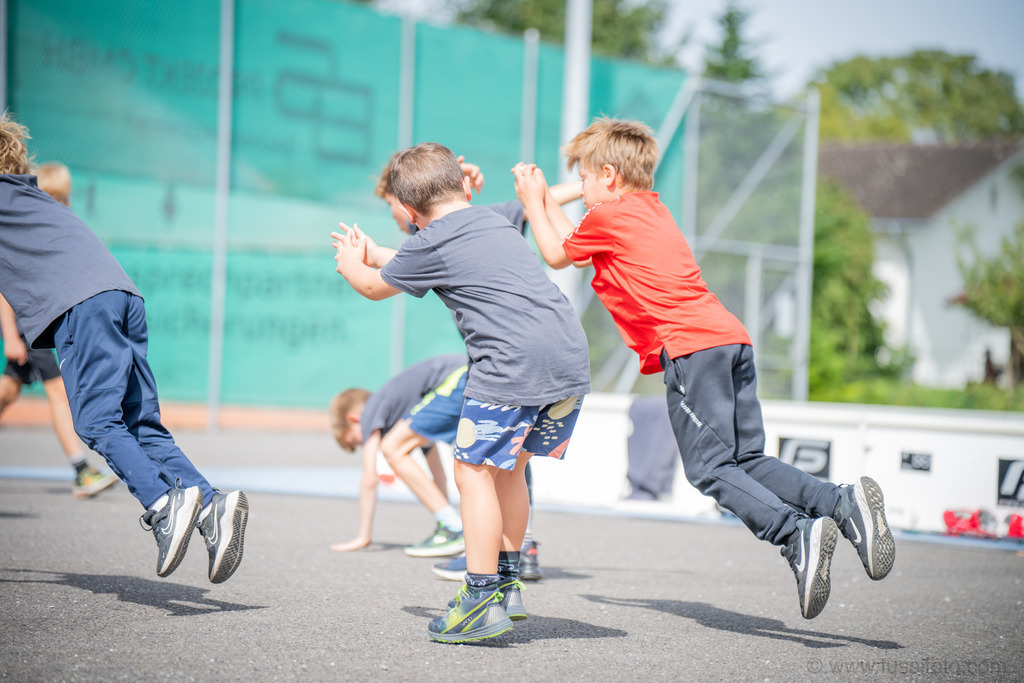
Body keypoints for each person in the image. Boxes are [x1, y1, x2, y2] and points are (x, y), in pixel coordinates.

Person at [513, 117, 896, 620]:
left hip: (691, 349)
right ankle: (842, 503)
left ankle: (796, 533)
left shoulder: (609, 216)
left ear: (608, 176)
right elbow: (576, 248)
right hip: (729, 338)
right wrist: (545, 198)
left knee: (709, 471)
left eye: (584, 180)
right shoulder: (645, 210)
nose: (579, 192)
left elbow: (554, 253)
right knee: (747, 460)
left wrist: (530, 201)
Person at [331, 142, 591, 643]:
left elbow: (371, 285)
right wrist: (377, 257)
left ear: (408, 211)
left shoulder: (429, 241)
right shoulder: (492, 219)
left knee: (473, 471)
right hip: (566, 357)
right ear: (462, 185)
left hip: (510, 365)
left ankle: (478, 597)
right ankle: (508, 585)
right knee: (510, 468)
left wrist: (348, 261)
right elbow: (413, 261)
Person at [0, 112, 248, 584]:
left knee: (95, 421)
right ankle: (211, 507)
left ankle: (161, 506)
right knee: (140, 423)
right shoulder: (29, 199)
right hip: (122, 296)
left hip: (82, 306)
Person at [328, 354, 468, 557]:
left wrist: (363, 535)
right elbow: (437, 472)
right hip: (467, 374)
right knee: (397, 445)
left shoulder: (370, 412)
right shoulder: (407, 410)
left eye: (356, 441)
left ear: (354, 419)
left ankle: (455, 528)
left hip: (455, 377)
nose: (365, 443)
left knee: (391, 447)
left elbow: (369, 478)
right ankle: (448, 528)